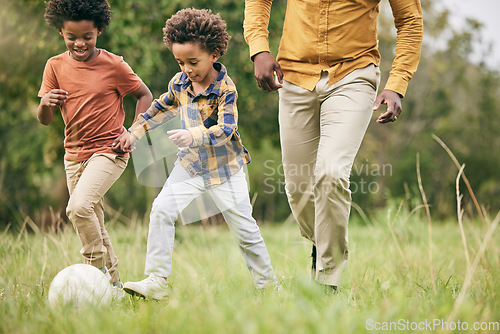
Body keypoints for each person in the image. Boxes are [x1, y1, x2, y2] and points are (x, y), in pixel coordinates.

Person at [244, 0, 423, 291]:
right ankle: (321, 243)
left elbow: (410, 22)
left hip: (354, 75)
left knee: (330, 172)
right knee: (297, 187)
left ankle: (327, 282)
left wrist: (397, 83)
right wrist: (259, 48)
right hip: (294, 75)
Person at [114, 8, 277, 300]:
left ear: (214, 54)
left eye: (193, 62)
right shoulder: (179, 83)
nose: (187, 69)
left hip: (226, 170)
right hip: (190, 166)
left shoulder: (225, 89)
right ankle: (157, 280)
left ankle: (268, 288)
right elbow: (159, 109)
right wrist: (134, 131)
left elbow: (227, 128)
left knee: (245, 231)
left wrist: (193, 135)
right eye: (180, 62)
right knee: (162, 209)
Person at [37, 0, 153, 293]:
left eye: (87, 36)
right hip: (74, 156)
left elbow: (144, 95)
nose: (79, 43)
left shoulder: (114, 65)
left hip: (110, 150)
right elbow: (45, 119)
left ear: (99, 30)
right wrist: (44, 104)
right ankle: (113, 287)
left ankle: (95, 268)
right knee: (94, 220)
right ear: (60, 31)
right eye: (71, 36)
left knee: (78, 208)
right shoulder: (54, 66)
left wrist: (134, 133)